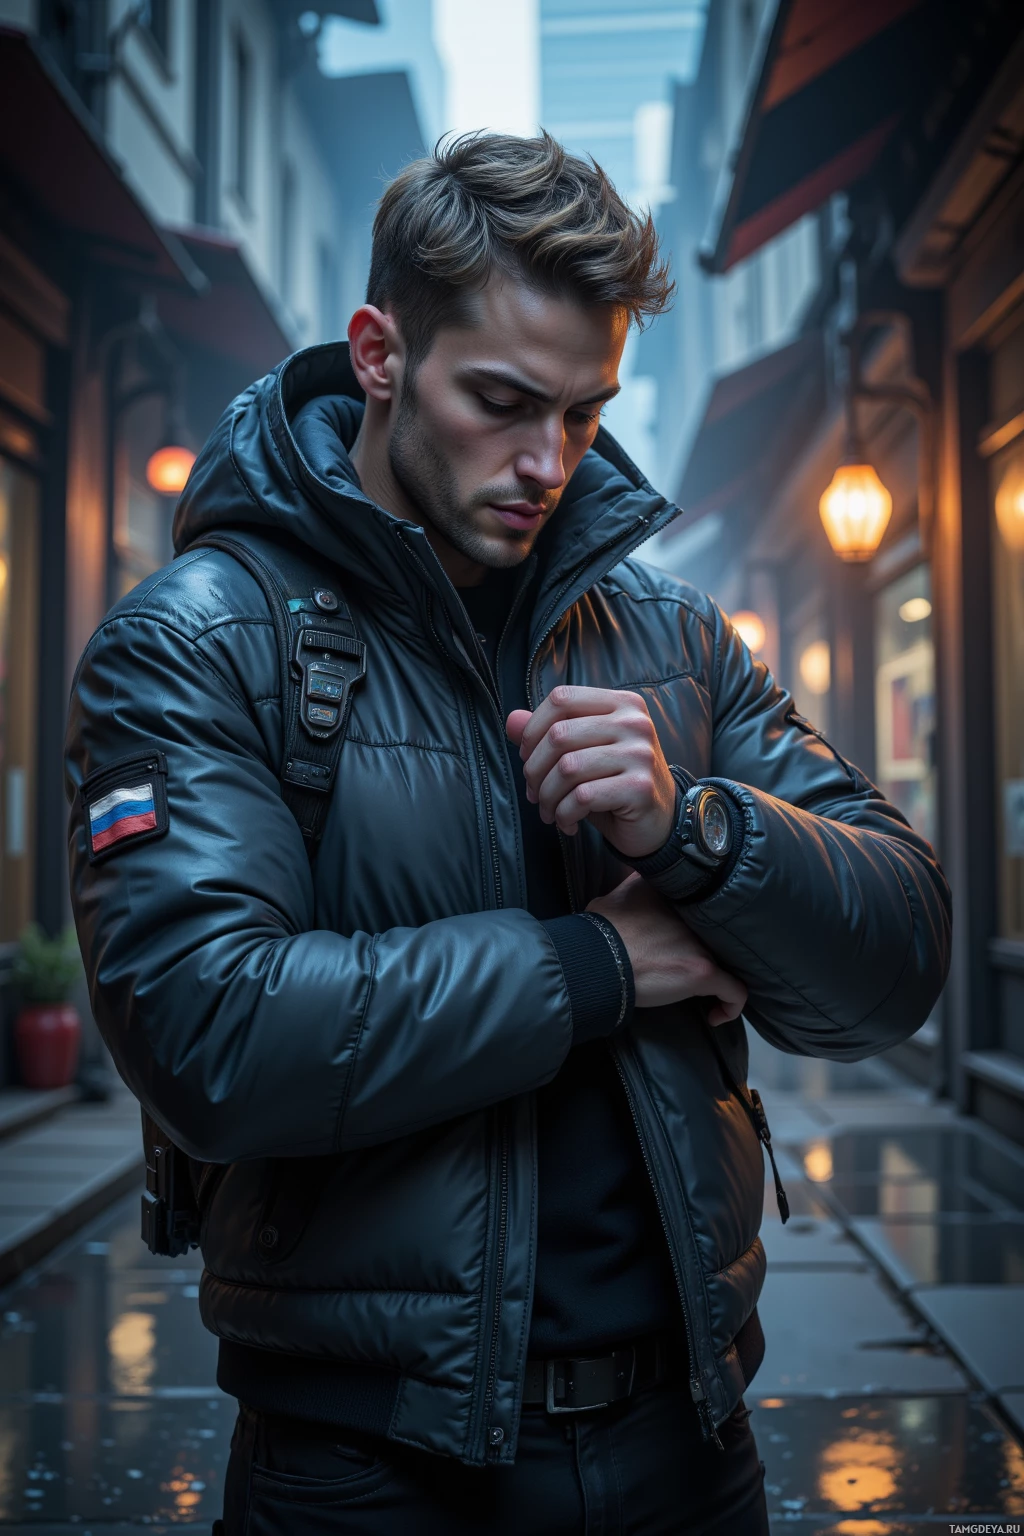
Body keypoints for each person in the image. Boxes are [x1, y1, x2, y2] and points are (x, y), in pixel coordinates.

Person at [66, 132, 950, 1535]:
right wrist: (603, 965)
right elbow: (207, 1039)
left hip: (690, 1438)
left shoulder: (670, 636)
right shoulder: (196, 643)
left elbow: (901, 952)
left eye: (586, 414)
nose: (547, 463)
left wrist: (698, 832)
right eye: (502, 401)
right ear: (377, 353)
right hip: (363, 1467)